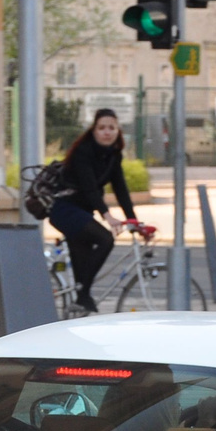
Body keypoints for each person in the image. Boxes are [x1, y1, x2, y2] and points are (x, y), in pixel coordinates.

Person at [49, 109, 137, 313]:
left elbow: (120, 188)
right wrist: (108, 216)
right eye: (102, 128)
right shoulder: (84, 151)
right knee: (106, 238)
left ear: (118, 131)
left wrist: (133, 219)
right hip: (64, 209)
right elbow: (89, 188)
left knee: (84, 280)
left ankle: (80, 304)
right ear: (94, 131)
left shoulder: (114, 155)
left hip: (83, 213)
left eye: (111, 128)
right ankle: (82, 291)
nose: (107, 132)